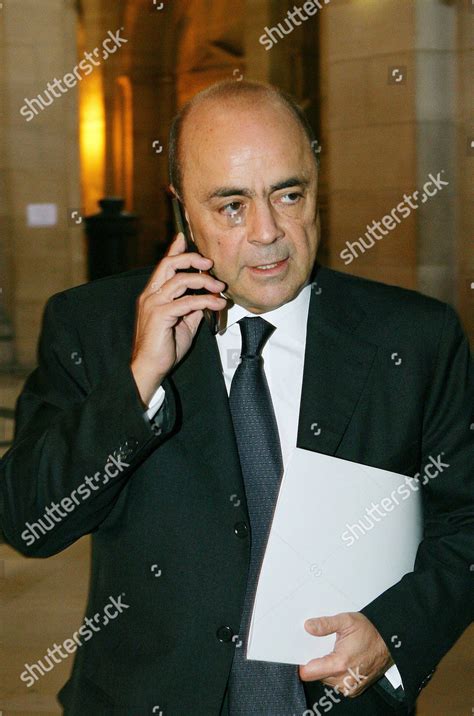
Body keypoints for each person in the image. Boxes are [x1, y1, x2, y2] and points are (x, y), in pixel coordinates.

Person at [1, 80, 473, 716]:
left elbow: (465, 523)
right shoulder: (95, 327)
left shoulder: (414, 339)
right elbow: (29, 521)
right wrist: (138, 380)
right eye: (231, 205)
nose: (267, 232)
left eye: (289, 195)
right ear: (182, 210)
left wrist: (395, 632)